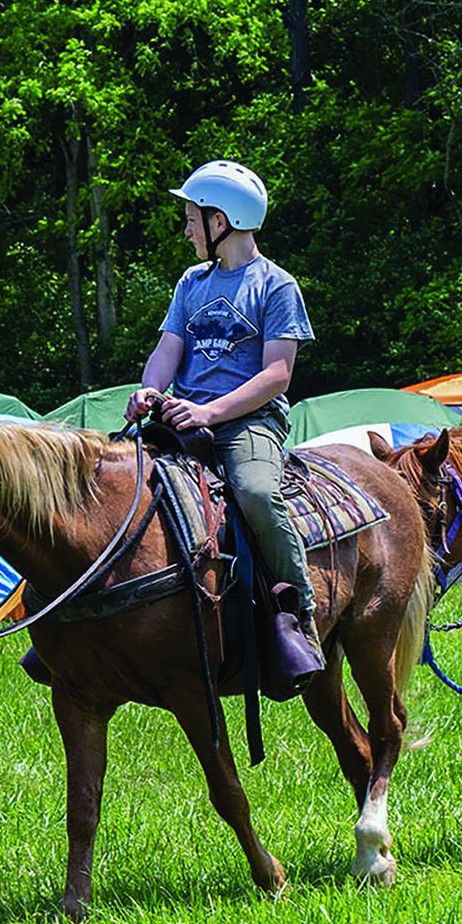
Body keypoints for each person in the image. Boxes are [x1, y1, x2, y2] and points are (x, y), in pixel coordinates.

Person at [127, 160, 323, 662]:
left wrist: (210, 414)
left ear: (222, 221)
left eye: (193, 218)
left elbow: (277, 375)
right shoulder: (191, 283)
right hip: (182, 415)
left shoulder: (277, 286)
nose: (187, 228)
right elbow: (167, 351)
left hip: (248, 423)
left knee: (256, 493)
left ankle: (300, 619)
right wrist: (150, 391)